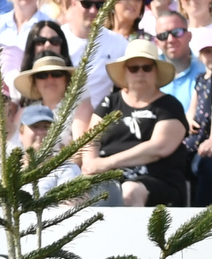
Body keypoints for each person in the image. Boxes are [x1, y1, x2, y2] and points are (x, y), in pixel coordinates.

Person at [80, 36, 192, 207]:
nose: (140, 73)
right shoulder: (109, 103)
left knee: (129, 192)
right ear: (125, 71)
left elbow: (158, 148)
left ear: (156, 71)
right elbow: (90, 140)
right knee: (73, 196)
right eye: (134, 68)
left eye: (146, 67)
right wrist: (90, 165)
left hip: (156, 179)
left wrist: (107, 163)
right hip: (106, 175)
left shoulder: (170, 106)